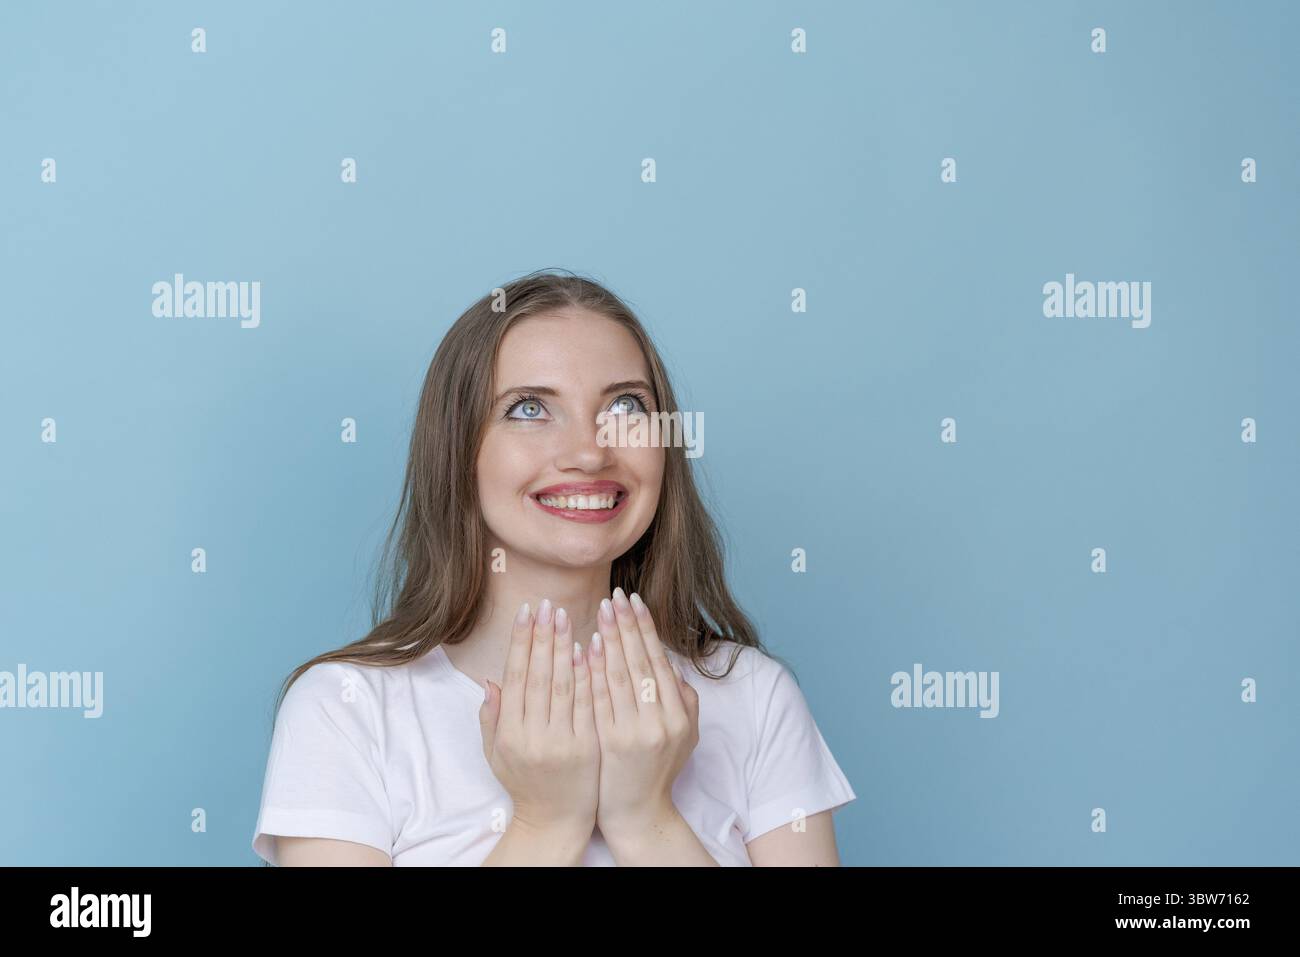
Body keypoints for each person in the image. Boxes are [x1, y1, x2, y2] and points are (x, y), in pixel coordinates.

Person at [251, 270, 856, 865]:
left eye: (625, 405)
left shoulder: (752, 696)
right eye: (529, 409)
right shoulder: (347, 710)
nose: (590, 451)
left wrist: (646, 818)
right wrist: (547, 824)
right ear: (458, 449)